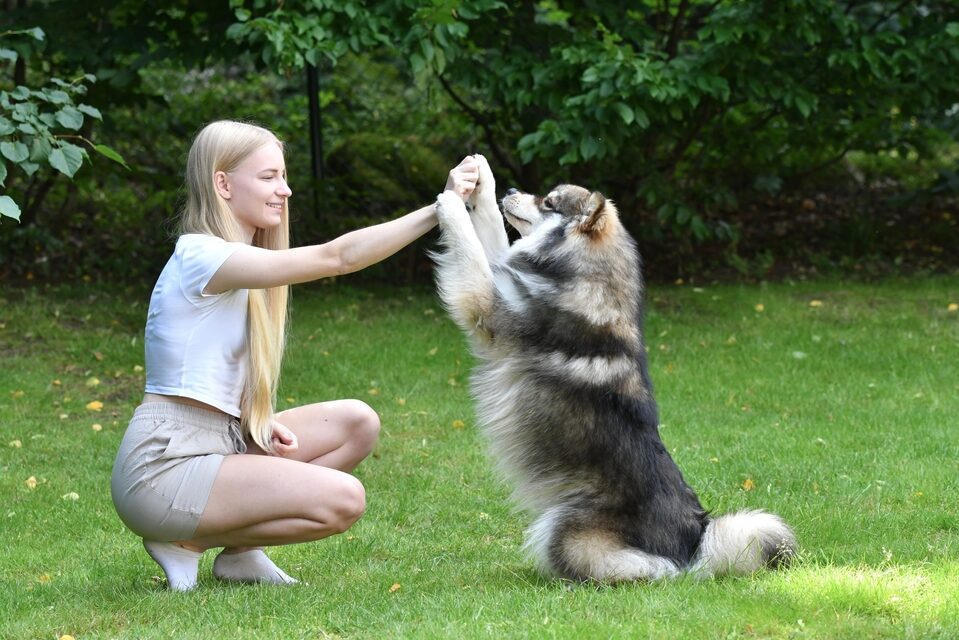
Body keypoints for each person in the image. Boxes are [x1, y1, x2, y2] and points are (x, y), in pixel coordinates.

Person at [110, 119, 479, 591]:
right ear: (222, 183)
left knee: (356, 423)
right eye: (268, 177)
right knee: (344, 499)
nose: (284, 190)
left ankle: (240, 554)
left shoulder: (238, 266)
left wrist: (249, 422)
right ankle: (185, 541)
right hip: (163, 468)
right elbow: (337, 258)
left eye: (284, 177)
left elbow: (201, 367)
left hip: (218, 442)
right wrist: (441, 209)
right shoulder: (200, 255)